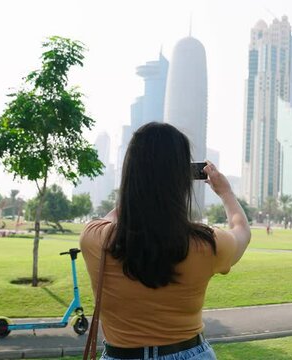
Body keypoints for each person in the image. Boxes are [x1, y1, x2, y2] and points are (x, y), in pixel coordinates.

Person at [80, 123, 251, 360]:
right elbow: (242, 230)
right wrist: (225, 192)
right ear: (181, 178)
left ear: (130, 173)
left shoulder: (95, 238)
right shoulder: (207, 244)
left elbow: (115, 216)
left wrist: (141, 187)